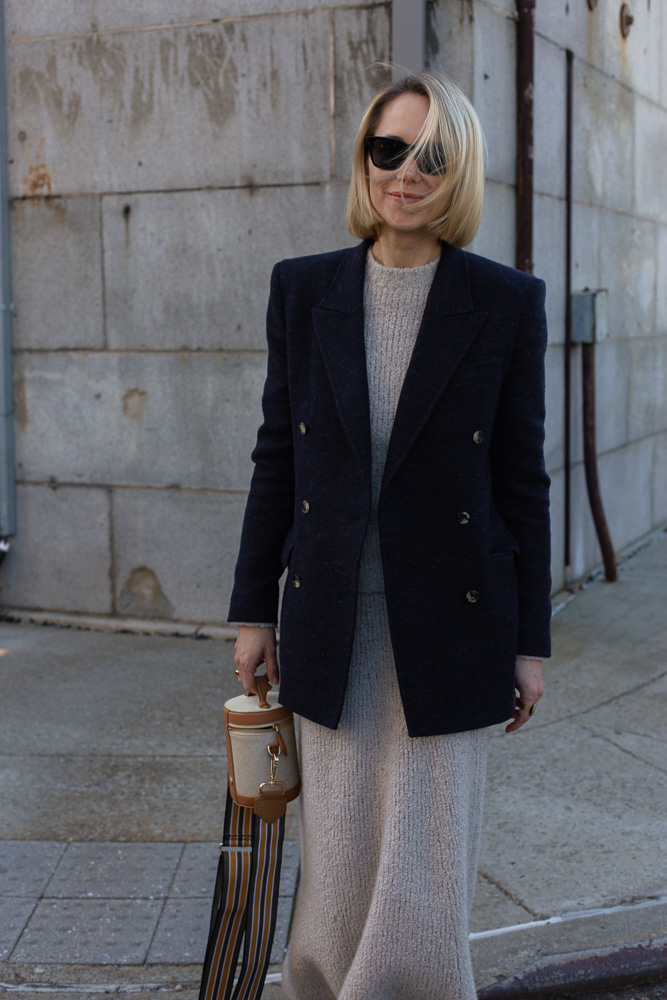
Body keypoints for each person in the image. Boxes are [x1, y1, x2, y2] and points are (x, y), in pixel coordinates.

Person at [228, 70, 551, 1000]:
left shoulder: (504, 301)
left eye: (431, 156)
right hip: (330, 614)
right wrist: (254, 613)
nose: (404, 173)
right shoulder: (304, 292)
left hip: (453, 617)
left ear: (459, 174)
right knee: (339, 851)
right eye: (387, 149)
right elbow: (275, 463)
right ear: (363, 158)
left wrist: (530, 643)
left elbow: (520, 481)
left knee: (426, 855)